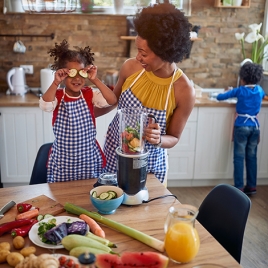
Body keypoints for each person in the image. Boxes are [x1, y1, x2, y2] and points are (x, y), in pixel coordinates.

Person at [97, 3, 196, 185]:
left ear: (164, 51)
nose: (137, 57)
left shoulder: (184, 90)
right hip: (115, 153)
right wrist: (83, 109)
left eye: (143, 52)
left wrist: (158, 138)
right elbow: (112, 101)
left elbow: (173, 137)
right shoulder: (130, 67)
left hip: (150, 165)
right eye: (137, 50)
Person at [39, 39, 117, 183]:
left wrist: (96, 80)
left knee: (88, 196)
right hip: (63, 164)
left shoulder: (90, 94)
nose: (77, 78)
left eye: (81, 73)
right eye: (72, 73)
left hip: (89, 161)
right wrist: (55, 82)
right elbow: (45, 106)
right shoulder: (57, 96)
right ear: (63, 75)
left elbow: (112, 101)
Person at [217, 62, 268, 195]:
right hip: (255, 127)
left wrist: (227, 91)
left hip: (241, 126)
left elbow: (220, 97)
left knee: (239, 157)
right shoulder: (260, 90)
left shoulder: (240, 90)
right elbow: (263, 96)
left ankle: (239, 187)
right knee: (252, 157)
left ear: (243, 78)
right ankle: (252, 186)